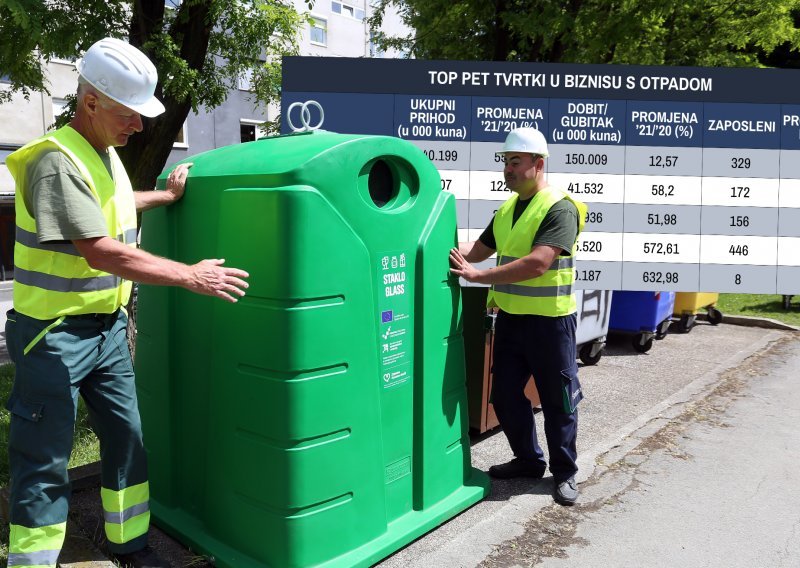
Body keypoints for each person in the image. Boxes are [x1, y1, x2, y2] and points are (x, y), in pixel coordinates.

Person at [4, 37, 249, 568]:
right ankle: (31, 563)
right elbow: (98, 250)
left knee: (128, 439)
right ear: (91, 101)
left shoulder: (103, 155)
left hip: (106, 331)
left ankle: (131, 547)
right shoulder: (53, 159)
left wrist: (164, 197)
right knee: (44, 458)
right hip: (53, 336)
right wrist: (190, 276)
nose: (140, 126)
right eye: (130, 113)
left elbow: (109, 204)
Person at [449, 127, 587, 506]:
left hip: (550, 323)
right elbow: (476, 251)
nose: (507, 170)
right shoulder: (508, 208)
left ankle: (565, 473)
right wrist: (431, 247)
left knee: (558, 401)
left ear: (537, 164)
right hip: (511, 320)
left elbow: (539, 263)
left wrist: (480, 277)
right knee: (505, 397)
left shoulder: (560, 207)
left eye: (515, 162)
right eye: (505, 163)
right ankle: (528, 462)